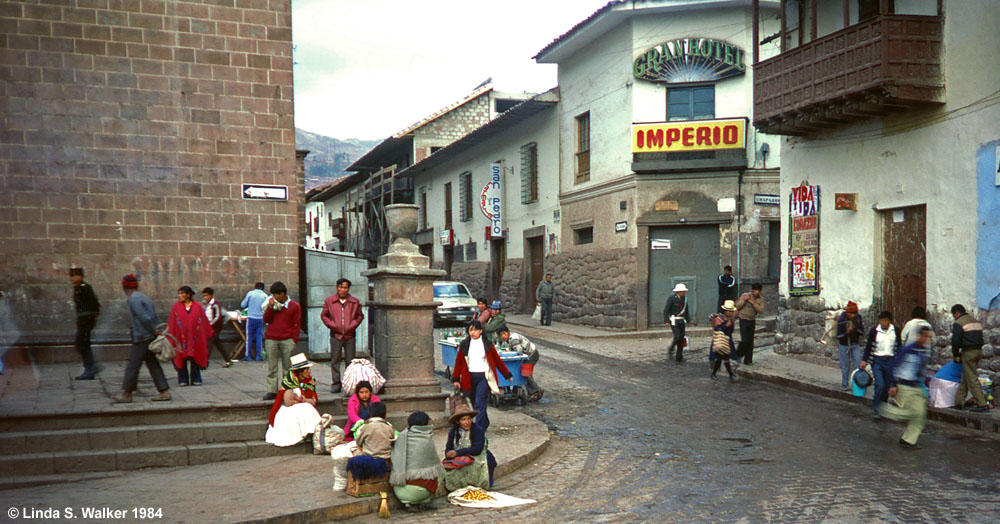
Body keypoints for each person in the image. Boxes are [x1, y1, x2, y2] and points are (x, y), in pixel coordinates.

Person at [112, 274, 170, 403]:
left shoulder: (133, 299)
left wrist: (153, 330)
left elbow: (145, 317)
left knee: (133, 365)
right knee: (153, 364)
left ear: (124, 286)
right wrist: (156, 329)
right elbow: (152, 315)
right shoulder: (143, 297)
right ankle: (164, 391)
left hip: (142, 336)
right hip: (148, 335)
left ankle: (127, 393)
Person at [451, 320, 512, 431]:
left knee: (480, 402)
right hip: (469, 377)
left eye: (475, 330)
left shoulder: (487, 345)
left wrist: (507, 374)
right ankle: (484, 422)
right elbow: (459, 362)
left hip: (484, 377)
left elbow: (497, 361)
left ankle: (478, 429)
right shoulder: (464, 345)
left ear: (481, 331)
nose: (473, 332)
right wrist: (455, 378)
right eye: (471, 330)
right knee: (475, 403)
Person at [879, 327, 934, 449]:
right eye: (925, 336)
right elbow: (893, 366)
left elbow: (922, 369)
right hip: (905, 386)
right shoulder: (908, 350)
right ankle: (888, 411)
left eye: (929, 337)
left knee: (920, 414)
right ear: (919, 336)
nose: (927, 339)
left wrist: (927, 380)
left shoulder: (924, 351)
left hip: (917, 386)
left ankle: (908, 440)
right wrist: (893, 384)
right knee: (916, 412)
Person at [390, 411, 442, 512]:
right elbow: (435, 467)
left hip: (398, 490)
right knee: (440, 471)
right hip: (418, 491)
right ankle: (425, 500)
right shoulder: (427, 440)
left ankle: (409, 503)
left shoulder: (401, 436)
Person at [265, 353, 320, 447]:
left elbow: (314, 400)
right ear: (300, 372)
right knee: (305, 408)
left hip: (303, 405)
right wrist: (304, 400)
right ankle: (306, 432)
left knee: (308, 408)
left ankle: (312, 432)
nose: (309, 372)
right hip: (290, 409)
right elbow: (289, 402)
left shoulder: (309, 382)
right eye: (307, 370)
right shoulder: (289, 382)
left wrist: (302, 399)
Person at [321, 278, 364, 394]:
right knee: (335, 360)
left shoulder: (354, 302)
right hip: (336, 335)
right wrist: (333, 325)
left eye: (345, 287)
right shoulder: (329, 301)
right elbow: (324, 316)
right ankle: (336, 383)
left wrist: (352, 325)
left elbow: (360, 316)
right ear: (337, 288)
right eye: (340, 287)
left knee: (350, 361)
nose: (342, 290)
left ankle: (349, 383)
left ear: (348, 289)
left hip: (350, 335)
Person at [262, 281, 301, 401]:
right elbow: (266, 319)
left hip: (287, 339)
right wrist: (270, 307)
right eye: (273, 294)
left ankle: (286, 389)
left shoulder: (294, 306)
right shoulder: (271, 305)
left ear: (283, 294)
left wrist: (294, 339)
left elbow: (297, 323)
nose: (274, 297)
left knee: (287, 367)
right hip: (272, 339)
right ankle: (271, 390)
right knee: (272, 367)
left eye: (276, 294)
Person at [443, 405, 495, 491]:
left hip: (478, 457)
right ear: (457, 421)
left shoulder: (477, 430)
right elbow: (448, 448)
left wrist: (458, 452)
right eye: (463, 420)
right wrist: (449, 453)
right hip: (461, 459)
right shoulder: (453, 432)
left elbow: (477, 449)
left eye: (469, 419)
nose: (467, 422)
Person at [861, 311, 901, 420]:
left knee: (887, 386)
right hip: (878, 361)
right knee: (880, 385)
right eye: (882, 320)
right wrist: (864, 360)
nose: (884, 322)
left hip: (890, 361)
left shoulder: (895, 331)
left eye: (886, 320)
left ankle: (883, 407)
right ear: (879, 321)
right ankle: (876, 407)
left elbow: (899, 347)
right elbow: (868, 347)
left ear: (889, 321)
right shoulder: (874, 331)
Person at [168, 286, 209, 386]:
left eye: (182, 293)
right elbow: (172, 322)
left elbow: (203, 321)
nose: (180, 296)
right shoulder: (176, 307)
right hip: (180, 337)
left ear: (188, 295)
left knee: (195, 356)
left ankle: (196, 377)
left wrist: (204, 334)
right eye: (179, 293)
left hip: (195, 337)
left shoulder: (197, 306)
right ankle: (183, 379)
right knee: (181, 357)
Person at [950, 304, 988, 412]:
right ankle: (959, 402)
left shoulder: (959, 323)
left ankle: (982, 403)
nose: (954, 317)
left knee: (971, 377)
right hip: (978, 351)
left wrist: (956, 354)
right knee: (966, 375)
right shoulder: (975, 320)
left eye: (954, 315)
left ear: (956, 313)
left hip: (968, 352)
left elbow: (956, 340)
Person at [70, 267, 102, 380]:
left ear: (81, 276)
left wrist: (93, 316)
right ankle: (90, 368)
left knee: (82, 343)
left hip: (86, 319)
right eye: (72, 276)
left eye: (75, 276)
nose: (73, 278)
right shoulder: (77, 288)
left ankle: (91, 368)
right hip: (82, 319)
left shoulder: (85, 287)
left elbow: (94, 302)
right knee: (82, 344)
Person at [497, 325, 543, 401]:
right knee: (524, 373)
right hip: (525, 356)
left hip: (531, 354)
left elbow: (519, 351)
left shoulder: (514, 338)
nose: (503, 336)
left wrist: (509, 351)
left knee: (525, 373)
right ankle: (532, 392)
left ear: (508, 332)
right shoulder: (507, 341)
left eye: (504, 334)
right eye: (501, 335)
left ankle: (536, 390)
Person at [835, 301, 864, 390]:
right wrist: (846, 333)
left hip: (855, 344)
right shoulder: (841, 320)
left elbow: (862, 332)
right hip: (844, 345)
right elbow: (838, 335)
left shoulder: (858, 318)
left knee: (858, 365)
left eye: (855, 313)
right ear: (847, 312)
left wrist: (855, 329)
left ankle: (858, 384)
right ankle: (845, 384)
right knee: (845, 365)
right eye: (851, 313)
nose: (853, 315)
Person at [202, 287, 233, 368]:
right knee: (218, 344)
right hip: (208, 327)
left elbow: (217, 317)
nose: (205, 297)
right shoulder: (206, 304)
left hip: (214, 328)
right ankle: (228, 359)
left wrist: (210, 325)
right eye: (204, 296)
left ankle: (205, 362)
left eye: (207, 295)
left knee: (209, 344)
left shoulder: (215, 304)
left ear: (211, 295)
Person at [734, 283, 764, 365]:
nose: (757, 292)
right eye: (756, 290)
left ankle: (748, 360)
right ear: (753, 290)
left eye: (759, 290)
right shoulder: (745, 295)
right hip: (743, 319)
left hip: (752, 320)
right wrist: (744, 300)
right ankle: (738, 354)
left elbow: (761, 310)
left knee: (750, 341)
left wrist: (752, 302)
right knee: (745, 340)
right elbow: (737, 306)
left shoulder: (760, 299)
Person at [709, 300, 738, 382]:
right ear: (725, 311)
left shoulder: (731, 320)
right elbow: (717, 329)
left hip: (727, 341)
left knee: (723, 358)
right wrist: (725, 326)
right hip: (720, 340)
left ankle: (715, 374)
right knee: (723, 359)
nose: (730, 313)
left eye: (731, 311)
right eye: (729, 311)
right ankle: (730, 375)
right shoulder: (720, 318)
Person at [240, 282, 268, 361]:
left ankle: (248, 355)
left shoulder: (250, 294)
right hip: (260, 318)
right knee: (259, 337)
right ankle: (259, 356)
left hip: (251, 318)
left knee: (249, 337)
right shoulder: (265, 296)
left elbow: (243, 305)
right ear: (262, 288)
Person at [663, 283, 689, 363]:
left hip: (681, 320)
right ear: (678, 292)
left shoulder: (684, 299)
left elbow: (686, 310)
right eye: (682, 291)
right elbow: (666, 310)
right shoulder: (671, 298)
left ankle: (679, 357)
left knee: (681, 339)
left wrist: (688, 320)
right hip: (674, 320)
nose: (684, 293)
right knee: (677, 337)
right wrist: (666, 321)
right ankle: (671, 349)